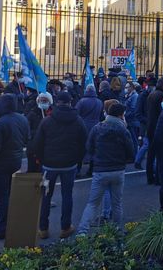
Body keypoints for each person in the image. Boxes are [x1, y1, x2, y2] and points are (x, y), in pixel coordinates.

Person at [35, 91, 87, 239]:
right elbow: (84, 143)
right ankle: (65, 227)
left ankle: (43, 228)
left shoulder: (47, 121)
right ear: (70, 103)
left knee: (45, 196)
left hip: (49, 165)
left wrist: (41, 159)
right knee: (67, 195)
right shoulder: (78, 121)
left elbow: (38, 143)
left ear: (56, 103)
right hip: (69, 164)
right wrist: (78, 159)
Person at [77, 103, 134, 235]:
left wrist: (96, 158)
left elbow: (89, 147)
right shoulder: (123, 130)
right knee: (117, 203)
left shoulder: (97, 128)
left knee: (93, 203)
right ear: (121, 115)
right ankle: (117, 230)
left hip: (100, 169)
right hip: (118, 169)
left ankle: (82, 231)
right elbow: (131, 151)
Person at [0, 94, 29, 241]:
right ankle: (15, 224)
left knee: (2, 198)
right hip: (16, 161)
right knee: (12, 195)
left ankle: (3, 228)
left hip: (1, 165)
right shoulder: (22, 119)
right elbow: (27, 139)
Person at [75, 85, 103, 176]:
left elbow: (76, 114)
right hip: (96, 126)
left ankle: (78, 169)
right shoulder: (99, 102)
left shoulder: (81, 102)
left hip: (83, 126)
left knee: (80, 148)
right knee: (94, 147)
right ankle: (91, 169)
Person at [146, 78, 163, 184]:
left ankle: (149, 176)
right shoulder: (161, 96)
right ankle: (159, 177)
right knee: (160, 153)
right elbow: (162, 112)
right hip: (157, 127)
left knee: (151, 152)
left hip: (150, 126)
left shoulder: (152, 94)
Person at [26, 92, 53, 172]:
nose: (43, 102)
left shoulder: (54, 113)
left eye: (45, 101)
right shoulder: (32, 113)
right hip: (34, 147)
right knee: (33, 171)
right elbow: (27, 130)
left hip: (48, 147)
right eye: (41, 101)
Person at [123, 82, 140, 158]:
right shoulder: (129, 96)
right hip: (130, 121)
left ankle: (135, 155)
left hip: (133, 121)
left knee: (134, 139)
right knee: (131, 139)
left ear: (132, 87)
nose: (126, 89)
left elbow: (133, 109)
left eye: (127, 87)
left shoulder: (135, 96)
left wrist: (125, 115)